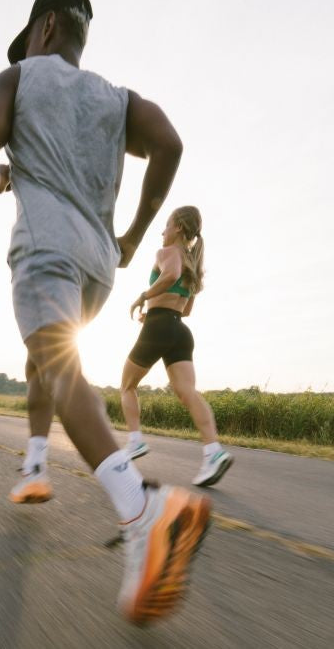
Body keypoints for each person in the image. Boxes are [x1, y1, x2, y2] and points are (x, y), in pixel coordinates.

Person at [0, 0, 210, 623]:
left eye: (29, 44)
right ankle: (36, 464)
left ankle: (141, 507)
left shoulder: (16, 80)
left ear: (44, 28)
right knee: (47, 360)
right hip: (98, 265)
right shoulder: (113, 97)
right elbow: (170, 142)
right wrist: (130, 232)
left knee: (57, 363)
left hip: (45, 245)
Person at [122, 206, 234, 487]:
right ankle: (213, 452)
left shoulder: (168, 252)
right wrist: (156, 309)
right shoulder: (193, 261)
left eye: (167, 225)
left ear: (179, 229)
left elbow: (169, 276)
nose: (162, 231)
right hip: (179, 331)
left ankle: (134, 441)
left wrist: (143, 297)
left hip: (159, 328)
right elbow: (186, 309)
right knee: (188, 393)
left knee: (127, 385)